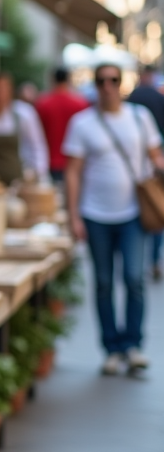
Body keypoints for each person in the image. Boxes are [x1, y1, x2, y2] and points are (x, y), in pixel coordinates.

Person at [64, 63, 163, 375]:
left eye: (113, 80)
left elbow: (155, 155)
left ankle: (132, 345)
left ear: (121, 84)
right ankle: (111, 347)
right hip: (95, 215)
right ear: (95, 85)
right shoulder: (82, 123)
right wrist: (73, 215)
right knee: (104, 283)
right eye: (101, 80)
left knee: (134, 279)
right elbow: (73, 172)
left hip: (134, 213)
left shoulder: (139, 117)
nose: (107, 86)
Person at [127, 65, 164, 282]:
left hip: (138, 160)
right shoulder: (157, 96)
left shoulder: (134, 96)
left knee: (143, 209)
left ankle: (140, 260)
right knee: (157, 208)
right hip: (155, 157)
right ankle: (153, 259)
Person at [34, 67, 89, 184]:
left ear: (53, 79)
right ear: (68, 79)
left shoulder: (43, 103)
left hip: (49, 161)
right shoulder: (80, 103)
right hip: (75, 162)